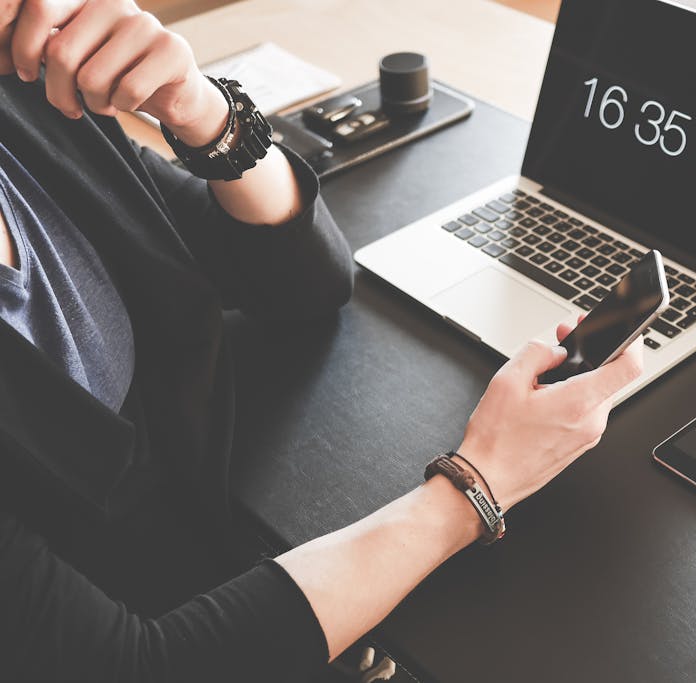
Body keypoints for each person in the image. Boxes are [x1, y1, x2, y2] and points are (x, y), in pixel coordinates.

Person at [0, 1, 644, 680]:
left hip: (217, 545)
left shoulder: (29, 104)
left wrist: (204, 112)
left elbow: (302, 283)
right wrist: (479, 483)